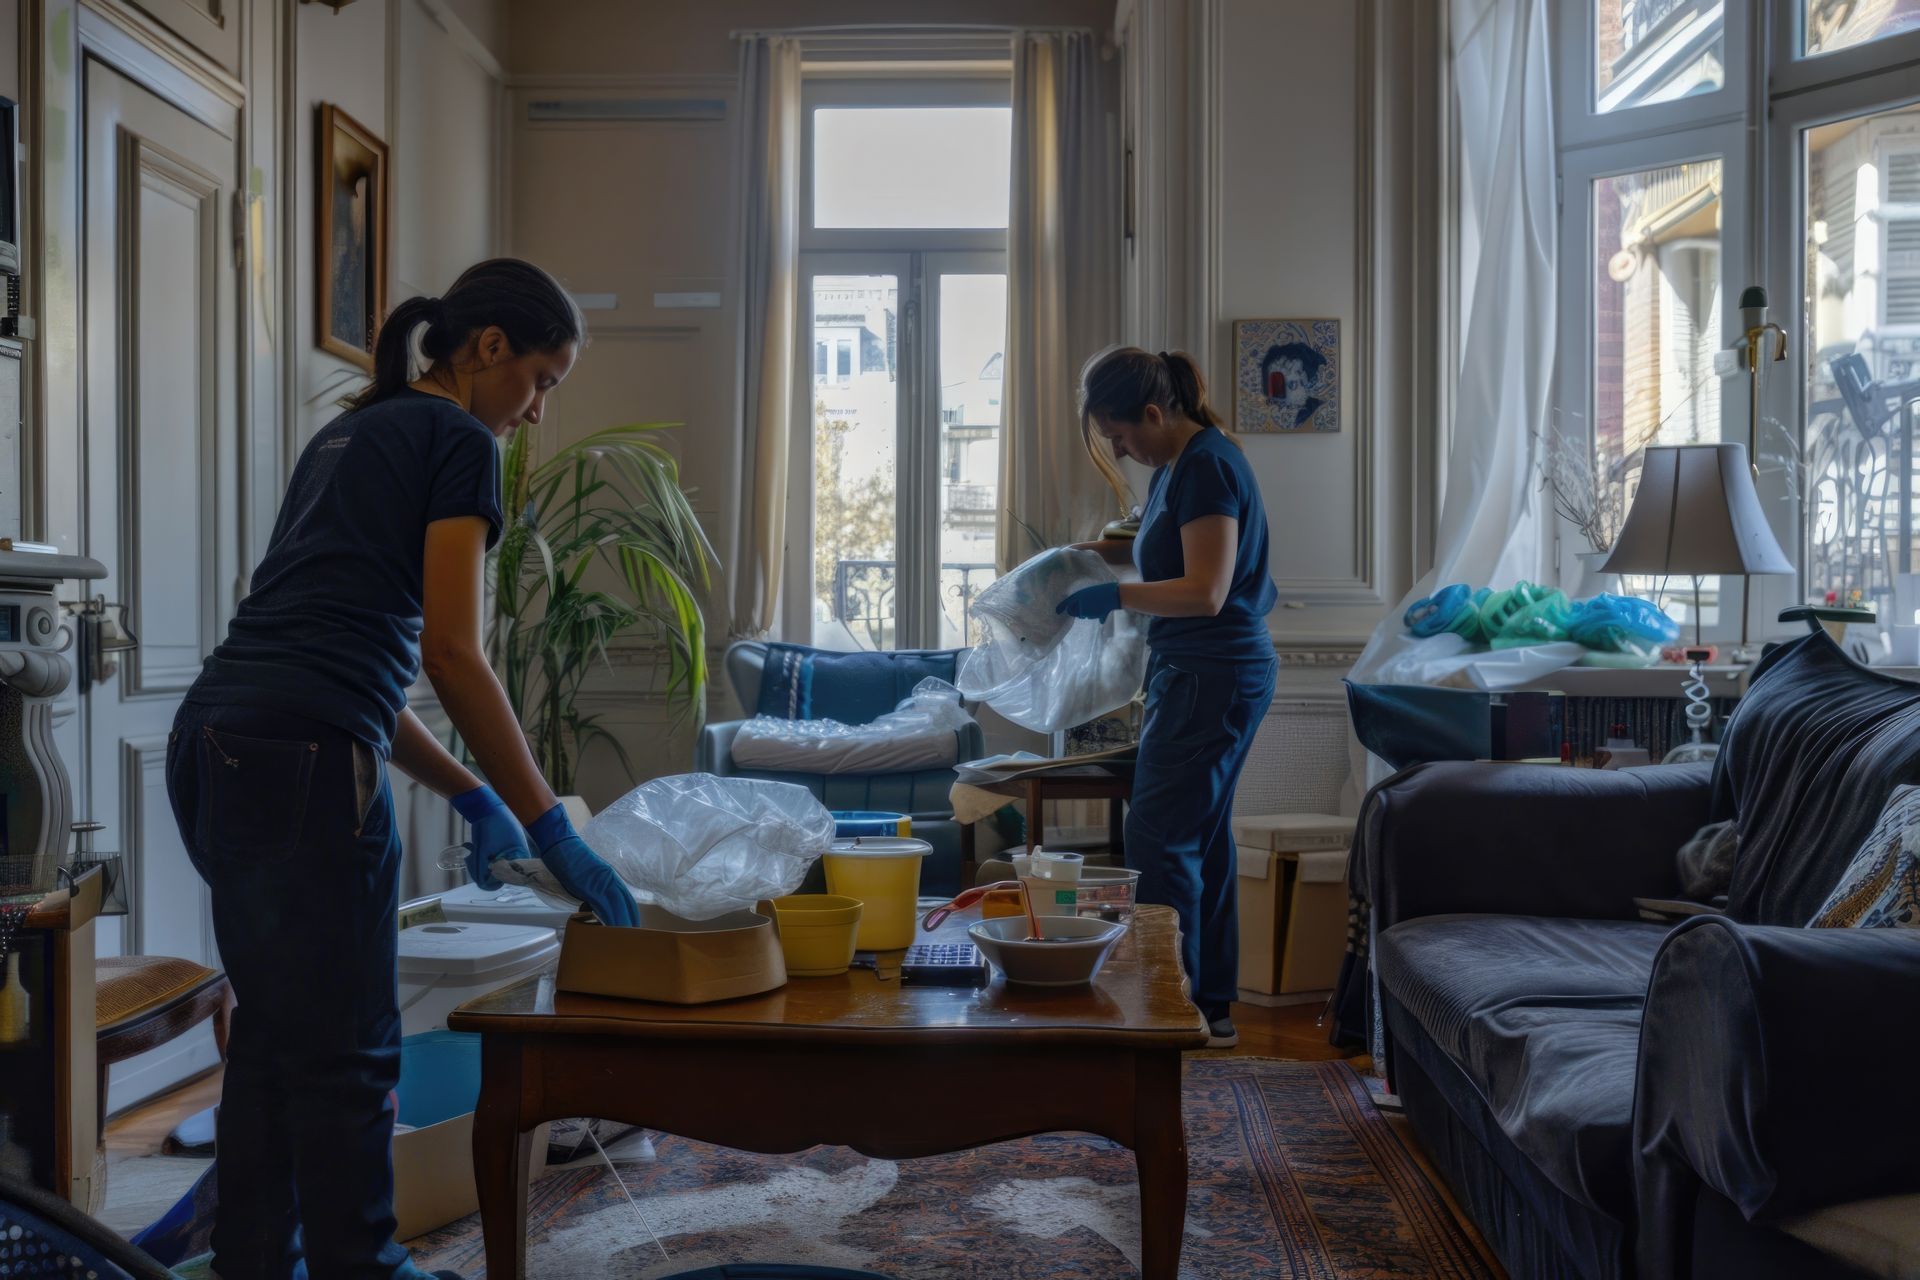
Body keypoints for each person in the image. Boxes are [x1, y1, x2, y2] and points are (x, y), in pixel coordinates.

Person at [164, 258, 637, 1280]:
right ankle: (360, 1266)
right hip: (298, 760)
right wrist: (549, 819)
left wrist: (468, 788)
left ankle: (254, 1261)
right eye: (543, 379)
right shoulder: (459, 438)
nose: (540, 410)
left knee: (277, 1040)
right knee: (348, 1051)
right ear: (489, 348)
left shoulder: (348, 429)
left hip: (216, 741)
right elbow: (453, 653)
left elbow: (351, 676)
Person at [1058, 347, 1278, 1049]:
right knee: (1202, 843)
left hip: (1212, 674)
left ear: (1154, 414)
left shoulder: (1207, 466)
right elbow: (1158, 552)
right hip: (1206, 674)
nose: (1121, 451)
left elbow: (1205, 591)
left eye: (1122, 437)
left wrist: (1113, 595)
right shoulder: (1184, 465)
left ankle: (1167, 1009)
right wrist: (1068, 562)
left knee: (1160, 841)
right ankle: (1205, 1008)